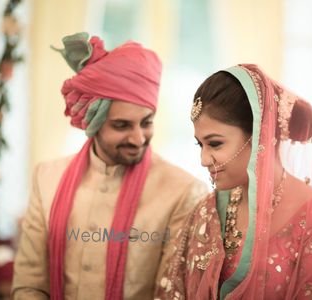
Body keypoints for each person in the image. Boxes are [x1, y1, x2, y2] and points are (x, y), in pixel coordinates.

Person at [11, 32, 207, 300]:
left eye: (147, 122)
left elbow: (169, 293)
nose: (138, 138)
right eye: (121, 125)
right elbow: (29, 284)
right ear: (93, 123)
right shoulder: (47, 178)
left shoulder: (183, 191)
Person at [156, 64, 312, 299]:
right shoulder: (208, 211)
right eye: (200, 144)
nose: (203, 159)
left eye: (215, 143)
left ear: (260, 134)